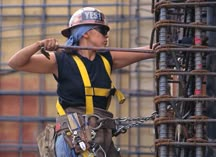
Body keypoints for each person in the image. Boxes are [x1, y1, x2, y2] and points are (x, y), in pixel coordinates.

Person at [8, 7, 154, 157]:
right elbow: (15, 63)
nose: (107, 36)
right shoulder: (60, 60)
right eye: (102, 31)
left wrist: (164, 46)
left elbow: (144, 52)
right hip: (72, 139)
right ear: (86, 33)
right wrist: (39, 45)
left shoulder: (107, 59)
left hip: (99, 137)